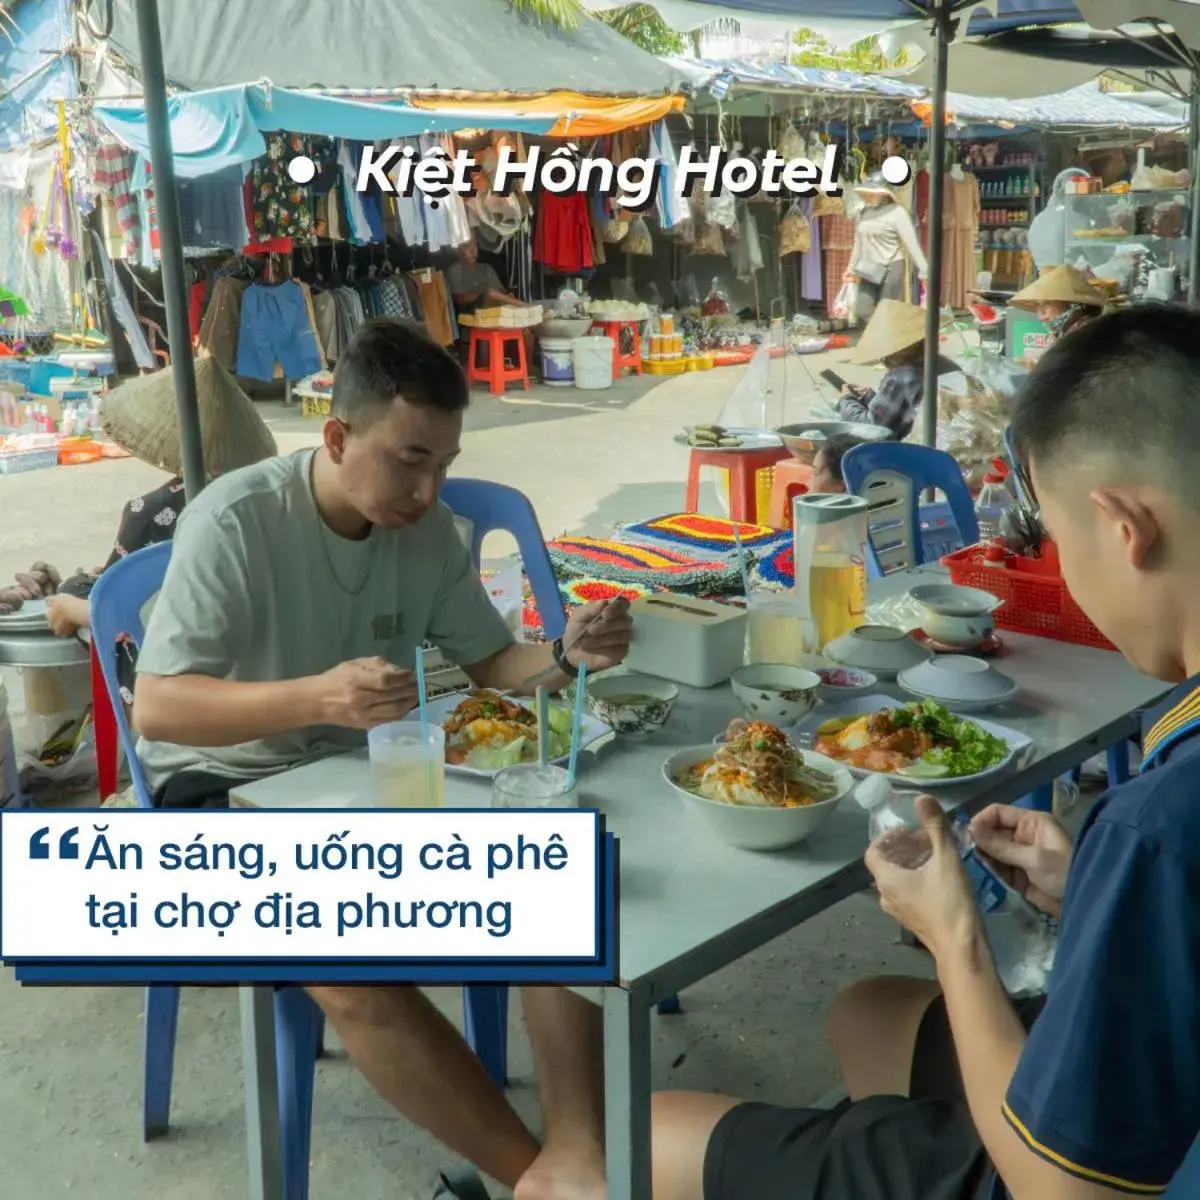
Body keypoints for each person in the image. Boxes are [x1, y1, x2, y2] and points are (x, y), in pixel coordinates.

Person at [651, 303, 1200, 1200]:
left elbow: (1068, 1193)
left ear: (1123, 527)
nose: (1060, 569)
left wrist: (954, 936)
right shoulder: (1154, 831)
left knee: (641, 1137)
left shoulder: (1158, 826)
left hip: (1087, 1177)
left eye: (1057, 542)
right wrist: (1090, 889)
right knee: (868, 1014)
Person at [131, 317, 632, 1200]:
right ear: (337, 435)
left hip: (360, 776)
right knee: (350, 963)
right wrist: (318, 698)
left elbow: (492, 667)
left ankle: (578, 1150)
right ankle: (539, 1182)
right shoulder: (238, 520)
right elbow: (160, 709)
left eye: (443, 462)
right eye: (409, 460)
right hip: (222, 790)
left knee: (550, 858)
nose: (430, 489)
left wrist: (566, 650)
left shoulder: (426, 532)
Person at [42, 353, 277, 703]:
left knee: (75, 588)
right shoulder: (266, 496)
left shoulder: (148, 511)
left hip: (178, 679)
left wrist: (68, 607)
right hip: (259, 656)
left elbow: (113, 605)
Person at [838, 299, 954, 441]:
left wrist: (846, 400)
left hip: (909, 449)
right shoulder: (942, 363)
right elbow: (900, 409)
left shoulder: (903, 376)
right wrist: (870, 396)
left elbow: (872, 428)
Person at [844, 172, 928, 326]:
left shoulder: (897, 212)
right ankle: (881, 337)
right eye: (866, 193)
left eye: (871, 194)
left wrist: (924, 269)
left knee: (888, 311)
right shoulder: (864, 212)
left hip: (892, 267)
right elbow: (858, 243)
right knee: (863, 308)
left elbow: (911, 243)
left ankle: (888, 343)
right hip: (868, 268)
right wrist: (850, 267)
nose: (867, 197)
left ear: (883, 194)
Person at [1009, 264, 1106, 346]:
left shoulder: (1086, 333)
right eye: (1038, 304)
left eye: (1046, 303)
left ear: (1071, 303)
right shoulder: (1067, 331)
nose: (1040, 313)